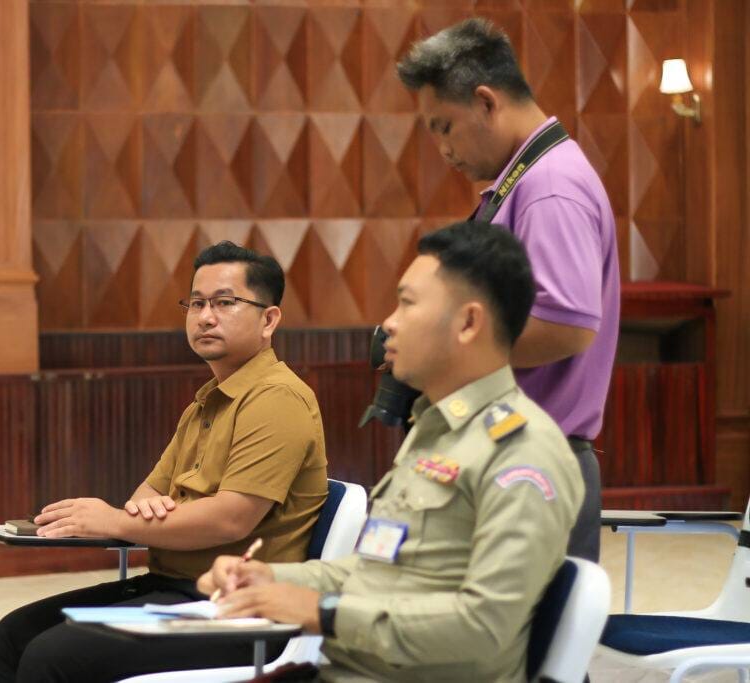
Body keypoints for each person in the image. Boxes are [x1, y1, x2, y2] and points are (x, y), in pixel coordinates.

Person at [200, 222, 584, 682]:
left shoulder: (521, 452)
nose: (389, 325)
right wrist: (271, 579)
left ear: (468, 323)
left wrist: (324, 613)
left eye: (408, 303)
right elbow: (375, 572)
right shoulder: (434, 431)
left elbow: (483, 629)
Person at [0, 241, 328, 682]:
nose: (206, 317)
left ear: (269, 319)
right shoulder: (207, 402)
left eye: (225, 303)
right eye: (197, 303)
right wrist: (143, 513)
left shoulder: (277, 399)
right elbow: (145, 495)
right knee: (14, 635)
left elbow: (230, 519)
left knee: (52, 656)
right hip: (172, 587)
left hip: (235, 610)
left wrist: (115, 521)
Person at [396, 18, 620, 562]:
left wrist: (442, 350)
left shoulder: (549, 185)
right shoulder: (531, 178)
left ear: (485, 102)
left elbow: (566, 327)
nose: (442, 150)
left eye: (444, 127)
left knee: (508, 620)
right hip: (512, 454)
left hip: (534, 463)